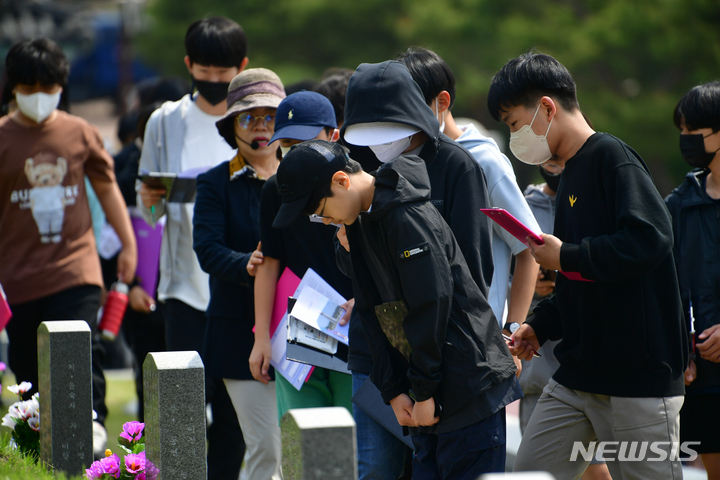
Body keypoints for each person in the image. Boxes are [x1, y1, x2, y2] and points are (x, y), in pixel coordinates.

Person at [487, 51, 688, 479]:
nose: (515, 136)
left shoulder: (612, 157)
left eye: (513, 122)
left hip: (637, 381)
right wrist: (540, 325)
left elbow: (651, 239)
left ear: (546, 108)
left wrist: (566, 256)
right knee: (529, 473)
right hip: (577, 376)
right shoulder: (571, 172)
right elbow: (581, 281)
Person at [273, 140, 521, 478]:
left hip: (467, 386)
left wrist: (423, 391)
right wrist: (392, 391)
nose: (321, 218)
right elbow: (372, 312)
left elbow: (430, 307)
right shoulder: (360, 223)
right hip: (427, 394)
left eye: (318, 208)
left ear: (341, 181)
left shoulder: (406, 215)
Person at [0, 38, 138, 456]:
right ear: (13, 88)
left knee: (80, 342)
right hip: (18, 273)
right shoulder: (3, 138)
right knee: (28, 358)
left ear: (61, 86)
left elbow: (108, 187)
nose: (40, 96)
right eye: (30, 88)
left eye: (49, 87)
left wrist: (127, 244)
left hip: (75, 266)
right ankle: (33, 434)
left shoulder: (80, 132)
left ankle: (90, 422)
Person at [136, 16, 247, 479]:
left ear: (242, 67)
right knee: (181, 414)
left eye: (225, 71)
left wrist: (188, 190)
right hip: (185, 289)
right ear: (189, 65)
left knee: (235, 419)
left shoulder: (255, 117)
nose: (215, 81)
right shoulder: (167, 120)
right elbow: (149, 206)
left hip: (242, 288)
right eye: (205, 70)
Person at [396, 46, 540, 339]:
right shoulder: (410, 160)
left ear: (442, 101)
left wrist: (511, 330)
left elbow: (530, 250)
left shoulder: (484, 161)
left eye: (410, 107)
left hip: (479, 338)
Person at [194, 69, 286, 480]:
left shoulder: (303, 175)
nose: (261, 127)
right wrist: (245, 263)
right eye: (249, 118)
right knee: (266, 446)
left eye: (270, 116)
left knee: (301, 444)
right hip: (237, 333)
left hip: (301, 328)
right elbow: (207, 249)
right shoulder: (215, 183)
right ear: (232, 126)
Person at [248, 90, 354, 422]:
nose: (295, 150)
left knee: (355, 444)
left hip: (353, 325)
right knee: (302, 438)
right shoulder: (274, 190)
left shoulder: (357, 184)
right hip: (298, 332)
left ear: (334, 136)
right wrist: (262, 336)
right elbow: (269, 263)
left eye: (307, 140)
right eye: (287, 142)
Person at [522, 163, 611, 480]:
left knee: (594, 467)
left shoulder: (599, 200)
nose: (553, 167)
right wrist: (530, 286)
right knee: (540, 470)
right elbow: (501, 277)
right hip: (538, 365)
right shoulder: (524, 206)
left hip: (589, 364)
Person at [665, 80, 720, 479]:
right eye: (681, 132)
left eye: (693, 132)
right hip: (703, 379)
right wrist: (681, 348)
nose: (685, 141)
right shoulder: (678, 203)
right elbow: (666, 285)